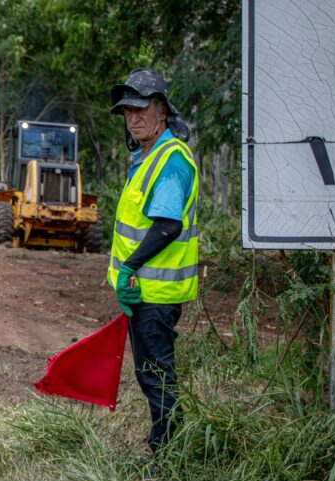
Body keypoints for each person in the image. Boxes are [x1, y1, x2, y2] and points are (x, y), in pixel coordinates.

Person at [107, 68, 199, 458]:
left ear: (161, 110)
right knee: (150, 375)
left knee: (157, 377)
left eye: (141, 108)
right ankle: (164, 447)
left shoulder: (170, 160)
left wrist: (128, 267)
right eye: (127, 111)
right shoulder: (145, 157)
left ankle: (167, 456)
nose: (133, 117)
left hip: (156, 295)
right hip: (144, 292)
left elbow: (166, 226)